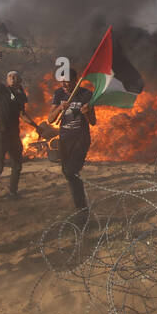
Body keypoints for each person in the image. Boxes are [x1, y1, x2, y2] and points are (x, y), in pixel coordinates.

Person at [0, 49, 38, 209]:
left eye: (15, 76)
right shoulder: (3, 90)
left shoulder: (21, 95)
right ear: (6, 81)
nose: (12, 77)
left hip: (14, 135)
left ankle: (12, 193)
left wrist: (35, 126)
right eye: (10, 76)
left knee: (17, 165)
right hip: (0, 134)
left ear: (20, 80)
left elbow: (22, 114)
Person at [52, 78, 96, 220]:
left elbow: (93, 122)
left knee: (72, 172)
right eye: (61, 82)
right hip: (64, 139)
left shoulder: (86, 94)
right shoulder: (58, 94)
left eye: (67, 81)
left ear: (76, 81)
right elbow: (50, 119)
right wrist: (59, 108)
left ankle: (82, 210)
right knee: (67, 172)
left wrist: (87, 113)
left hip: (80, 139)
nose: (63, 85)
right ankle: (81, 207)